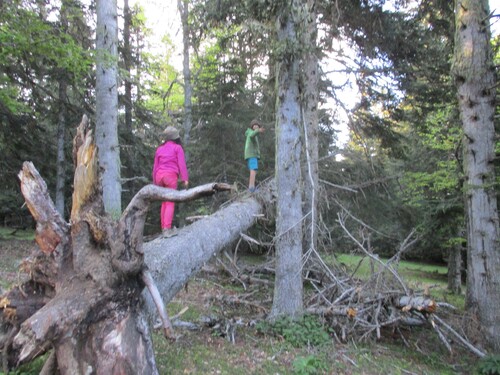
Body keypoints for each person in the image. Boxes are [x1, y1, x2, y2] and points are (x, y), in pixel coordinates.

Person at [152, 125, 189, 237]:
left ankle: (164, 227)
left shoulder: (159, 149)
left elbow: (155, 167)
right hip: (170, 176)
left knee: (164, 201)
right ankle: (167, 229)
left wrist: (154, 182)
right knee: (170, 202)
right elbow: (181, 164)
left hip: (159, 176)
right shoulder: (177, 148)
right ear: (176, 137)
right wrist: (185, 179)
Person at [244, 119, 265, 192]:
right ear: (252, 126)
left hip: (252, 155)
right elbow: (252, 135)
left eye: (257, 125)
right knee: (253, 170)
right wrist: (258, 130)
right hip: (252, 155)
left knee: (254, 170)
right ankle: (252, 188)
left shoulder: (254, 134)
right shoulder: (250, 132)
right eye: (254, 125)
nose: (256, 126)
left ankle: (251, 186)